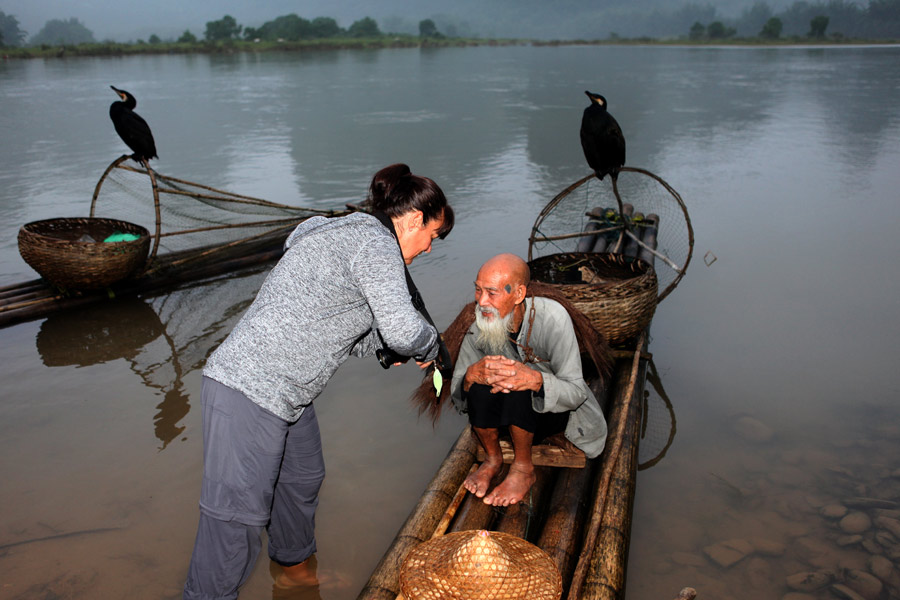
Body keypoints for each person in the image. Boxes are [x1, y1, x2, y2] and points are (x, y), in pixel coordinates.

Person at [183, 164, 454, 600]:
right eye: (433, 237)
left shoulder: (338, 232)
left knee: (302, 478)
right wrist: (431, 346)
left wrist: (387, 350)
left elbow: (338, 328)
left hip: (290, 394)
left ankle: (294, 581)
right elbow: (407, 329)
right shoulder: (374, 242)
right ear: (415, 218)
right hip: (248, 388)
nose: (427, 249)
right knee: (234, 524)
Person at [449, 253, 607, 507]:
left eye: (492, 293)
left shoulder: (553, 318)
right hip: (503, 421)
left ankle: (523, 468)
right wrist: (469, 377)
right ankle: (493, 459)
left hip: (549, 415)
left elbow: (577, 392)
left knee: (518, 385)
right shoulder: (479, 323)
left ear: (519, 294)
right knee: (479, 385)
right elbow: (459, 397)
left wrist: (535, 380)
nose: (481, 302)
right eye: (478, 291)